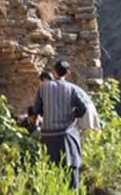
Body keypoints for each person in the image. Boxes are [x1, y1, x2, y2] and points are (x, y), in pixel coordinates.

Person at [33, 60, 88, 191]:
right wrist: (74, 114)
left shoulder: (43, 88)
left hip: (48, 136)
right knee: (72, 169)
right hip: (66, 136)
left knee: (51, 171)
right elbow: (83, 108)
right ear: (68, 73)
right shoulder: (72, 89)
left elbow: (37, 110)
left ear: (54, 72)